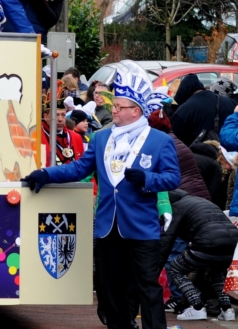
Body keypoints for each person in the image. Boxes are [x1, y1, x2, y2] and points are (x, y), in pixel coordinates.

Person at [23, 62, 180, 329]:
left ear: (136, 111)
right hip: (108, 226)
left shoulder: (159, 141)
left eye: (119, 107)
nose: (113, 110)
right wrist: (46, 174)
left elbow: (173, 177)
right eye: (114, 105)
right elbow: (79, 168)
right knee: (110, 289)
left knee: (147, 288)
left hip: (142, 227)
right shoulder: (101, 138)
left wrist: (148, 179)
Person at [158, 189, 238, 322]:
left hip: (208, 242)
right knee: (216, 271)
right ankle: (227, 309)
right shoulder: (201, 201)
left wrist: (156, 265)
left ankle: (197, 307)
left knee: (175, 268)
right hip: (233, 243)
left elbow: (167, 239)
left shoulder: (177, 206)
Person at [170, 73, 232, 146]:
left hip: (196, 155)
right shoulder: (230, 103)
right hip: (230, 154)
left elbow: (176, 144)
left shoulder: (183, 111)